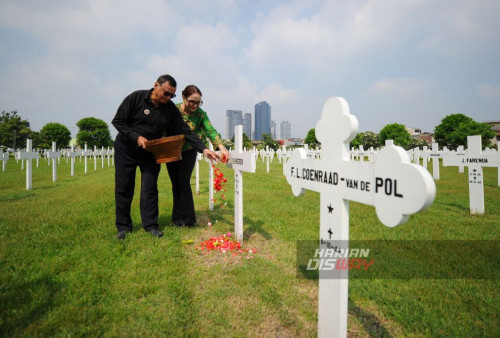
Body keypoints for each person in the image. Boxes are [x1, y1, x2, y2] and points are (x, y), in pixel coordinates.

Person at [112, 75, 220, 240]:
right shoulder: (136, 98)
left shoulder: (169, 108)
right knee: (124, 188)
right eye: (166, 93)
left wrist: (203, 149)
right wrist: (137, 137)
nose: (168, 98)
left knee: (149, 188)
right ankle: (123, 227)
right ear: (156, 85)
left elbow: (185, 129)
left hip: (150, 152)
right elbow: (118, 121)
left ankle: (151, 225)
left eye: (172, 95)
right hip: (126, 150)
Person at [166, 85, 230, 227]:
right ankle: (176, 219)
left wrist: (221, 147)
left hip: (189, 151)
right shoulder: (173, 110)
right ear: (184, 98)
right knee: (175, 184)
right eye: (192, 102)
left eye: (198, 102)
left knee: (183, 182)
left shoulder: (201, 114)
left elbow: (210, 130)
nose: (195, 105)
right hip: (171, 150)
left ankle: (188, 220)